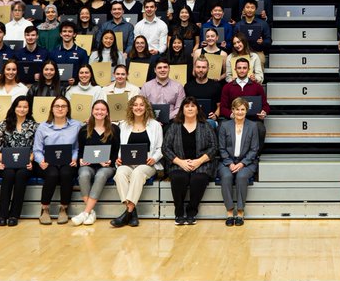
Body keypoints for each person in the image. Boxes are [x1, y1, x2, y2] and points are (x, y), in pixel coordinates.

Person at [111, 95, 164, 228]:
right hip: (128, 163)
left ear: (146, 107)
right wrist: (119, 158)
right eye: (135, 105)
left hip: (147, 164)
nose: (138, 107)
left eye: (141, 105)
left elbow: (161, 148)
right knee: (120, 173)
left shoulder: (155, 125)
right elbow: (121, 147)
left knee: (138, 173)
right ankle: (131, 212)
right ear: (131, 107)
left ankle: (127, 214)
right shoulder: (123, 125)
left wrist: (154, 158)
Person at [162, 97, 217, 225]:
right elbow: (165, 148)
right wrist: (180, 162)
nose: (190, 108)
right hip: (179, 164)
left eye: (193, 106)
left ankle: (191, 212)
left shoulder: (206, 126)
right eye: (187, 106)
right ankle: (179, 213)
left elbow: (214, 147)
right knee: (178, 178)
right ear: (182, 109)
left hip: (202, 164)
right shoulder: (175, 126)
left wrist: (199, 161)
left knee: (198, 179)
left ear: (198, 109)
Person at [32, 96, 81, 224]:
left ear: (68, 109)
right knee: (52, 174)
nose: (60, 109)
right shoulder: (43, 127)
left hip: (68, 161)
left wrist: (74, 159)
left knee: (66, 173)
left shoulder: (76, 126)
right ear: (52, 109)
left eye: (63, 106)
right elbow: (37, 150)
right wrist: (41, 161)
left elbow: (77, 148)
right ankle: (45, 209)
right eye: (57, 106)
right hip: (47, 162)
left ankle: (64, 208)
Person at [70, 99, 118, 226]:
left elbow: (116, 152)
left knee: (101, 175)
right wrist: (81, 159)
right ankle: (90, 212)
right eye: (97, 109)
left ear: (107, 112)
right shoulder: (84, 130)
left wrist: (109, 161)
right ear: (92, 111)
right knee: (84, 174)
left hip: (107, 167)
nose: (99, 112)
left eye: (103, 109)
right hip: (89, 165)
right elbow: (81, 151)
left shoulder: (114, 129)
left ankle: (85, 212)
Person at [0, 95, 37, 226]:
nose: (22, 109)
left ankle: (14, 215)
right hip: (7, 163)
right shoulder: (4, 124)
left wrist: (29, 161)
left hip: (26, 164)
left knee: (21, 176)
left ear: (29, 109)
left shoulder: (34, 125)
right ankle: (2, 215)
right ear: (14, 107)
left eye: (25, 107)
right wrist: (3, 161)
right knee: (8, 175)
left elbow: (36, 148)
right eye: (19, 106)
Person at [218, 97, 261, 227]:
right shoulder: (225, 125)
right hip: (227, 162)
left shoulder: (253, 126)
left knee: (242, 177)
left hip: (246, 162)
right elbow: (221, 148)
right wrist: (230, 163)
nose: (240, 112)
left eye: (243, 109)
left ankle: (241, 211)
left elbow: (254, 149)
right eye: (237, 109)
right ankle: (230, 211)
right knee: (226, 176)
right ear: (233, 110)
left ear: (246, 111)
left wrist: (242, 164)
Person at [218, 57, 270, 140]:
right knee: (221, 126)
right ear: (235, 69)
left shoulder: (257, 87)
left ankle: (255, 153)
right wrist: (232, 115)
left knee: (260, 129)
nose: (242, 70)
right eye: (239, 68)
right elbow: (223, 107)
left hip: (252, 119)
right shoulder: (227, 87)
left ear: (249, 69)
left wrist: (264, 112)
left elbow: (265, 105)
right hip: (233, 119)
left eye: (244, 68)